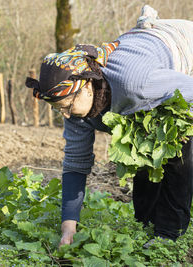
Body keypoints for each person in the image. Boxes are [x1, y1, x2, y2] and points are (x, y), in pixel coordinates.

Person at [25, 5, 193, 247]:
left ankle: (169, 233)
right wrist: (68, 227)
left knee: (176, 145)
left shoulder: (136, 85)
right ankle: (145, 223)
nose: (64, 113)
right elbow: (75, 163)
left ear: (85, 86)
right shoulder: (76, 108)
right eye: (57, 108)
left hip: (182, 47)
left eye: (66, 105)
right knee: (142, 148)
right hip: (141, 66)